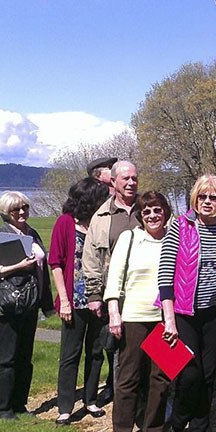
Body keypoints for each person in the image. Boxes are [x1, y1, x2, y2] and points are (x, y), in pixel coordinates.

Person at [157, 175, 216, 432]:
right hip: (183, 313)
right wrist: (168, 320)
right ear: (194, 198)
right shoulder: (180, 226)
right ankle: (176, 425)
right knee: (188, 374)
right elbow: (165, 274)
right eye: (202, 196)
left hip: (215, 313)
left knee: (207, 375)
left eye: (213, 197)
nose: (207, 202)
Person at [104, 191, 172, 432]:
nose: (153, 215)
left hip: (165, 318)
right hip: (133, 317)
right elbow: (115, 277)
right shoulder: (130, 238)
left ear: (165, 212)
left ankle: (153, 429)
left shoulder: (173, 240)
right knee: (128, 376)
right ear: (140, 216)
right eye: (147, 212)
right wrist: (114, 312)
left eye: (157, 210)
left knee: (160, 377)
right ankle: (120, 431)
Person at [49, 177, 111, 424]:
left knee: (95, 352)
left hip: (98, 300)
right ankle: (65, 407)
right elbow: (55, 263)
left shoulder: (98, 223)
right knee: (70, 354)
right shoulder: (65, 223)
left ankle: (90, 400)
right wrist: (64, 301)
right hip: (73, 302)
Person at [0, 191, 54, 419]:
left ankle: (20, 403)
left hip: (29, 303)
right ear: (5, 213)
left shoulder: (32, 233)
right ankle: (2, 408)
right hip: (7, 304)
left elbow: (41, 269)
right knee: (7, 356)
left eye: (25, 207)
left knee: (25, 356)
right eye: (16, 209)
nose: (21, 212)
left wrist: (45, 302)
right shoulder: (1, 236)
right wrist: (17, 266)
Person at [83, 159, 140, 403]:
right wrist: (95, 295)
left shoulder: (149, 208)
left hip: (147, 293)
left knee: (153, 347)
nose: (131, 182)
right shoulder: (102, 216)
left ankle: (154, 400)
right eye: (125, 178)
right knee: (117, 349)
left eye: (134, 178)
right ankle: (122, 400)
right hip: (114, 294)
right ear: (113, 182)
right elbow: (91, 257)